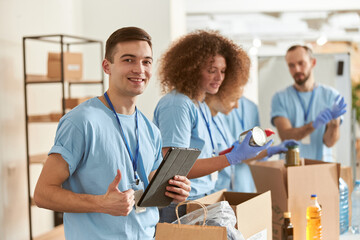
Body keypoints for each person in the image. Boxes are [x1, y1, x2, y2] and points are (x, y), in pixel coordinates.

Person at [33, 27, 191, 239]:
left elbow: (151, 181)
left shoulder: (150, 130)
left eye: (146, 61)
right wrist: (100, 203)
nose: (139, 69)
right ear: (107, 66)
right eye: (128, 60)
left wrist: (174, 190)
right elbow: (43, 194)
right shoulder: (81, 121)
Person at [153, 30, 281, 223]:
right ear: (191, 68)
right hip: (178, 205)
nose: (219, 77)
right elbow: (175, 169)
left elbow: (204, 156)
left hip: (201, 198)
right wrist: (232, 157)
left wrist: (239, 151)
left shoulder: (201, 105)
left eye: (222, 71)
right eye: (211, 70)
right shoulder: (178, 104)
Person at [206, 65, 297, 193]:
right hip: (219, 185)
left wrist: (267, 151)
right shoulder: (216, 112)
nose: (236, 105)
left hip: (244, 181)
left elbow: (246, 150)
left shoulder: (250, 107)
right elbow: (225, 154)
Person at [271, 45, 347, 162]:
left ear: (313, 62)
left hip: (320, 166)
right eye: (291, 65)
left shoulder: (331, 95)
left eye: (301, 63)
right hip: (290, 167)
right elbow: (285, 136)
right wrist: (313, 125)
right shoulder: (280, 97)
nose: (296, 69)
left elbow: (329, 142)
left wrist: (334, 123)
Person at [223, 87, 260, 193]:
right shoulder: (222, 105)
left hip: (246, 177)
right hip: (225, 176)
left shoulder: (252, 107)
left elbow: (256, 141)